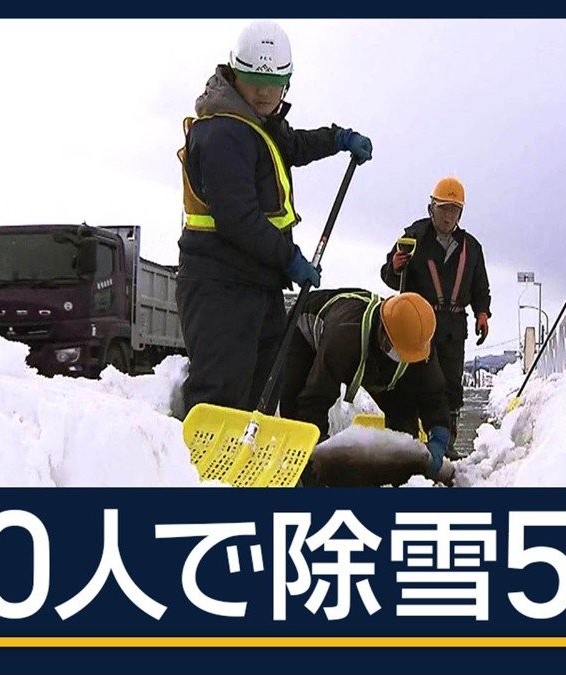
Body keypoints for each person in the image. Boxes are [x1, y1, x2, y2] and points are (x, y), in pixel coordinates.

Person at [176, 20, 373, 416]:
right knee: (222, 395)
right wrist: (289, 258)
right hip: (221, 285)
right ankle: (201, 475)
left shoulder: (255, 121)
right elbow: (238, 220)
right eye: (254, 81)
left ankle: (248, 472)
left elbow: (293, 145)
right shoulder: (222, 134)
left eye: (275, 83)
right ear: (234, 75)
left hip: (255, 280)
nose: (265, 92)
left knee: (263, 387)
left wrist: (336, 139)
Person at [279, 289, 452, 481]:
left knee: (403, 409)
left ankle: (403, 482)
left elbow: (434, 393)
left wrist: (439, 434)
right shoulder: (344, 336)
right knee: (296, 408)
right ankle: (299, 473)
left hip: (369, 354)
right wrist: (319, 458)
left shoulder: (417, 341)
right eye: (395, 351)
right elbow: (315, 398)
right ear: (382, 331)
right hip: (305, 332)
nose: (400, 358)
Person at [379, 177, 491, 458]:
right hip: (418, 324)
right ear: (431, 208)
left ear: (460, 213)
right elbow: (389, 277)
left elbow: (480, 286)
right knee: (414, 381)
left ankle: (446, 443)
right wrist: (394, 267)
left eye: (453, 210)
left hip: (454, 327)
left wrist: (482, 313)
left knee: (450, 385)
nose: (447, 216)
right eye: (442, 209)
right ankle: (410, 439)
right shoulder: (413, 237)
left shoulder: (472, 248)